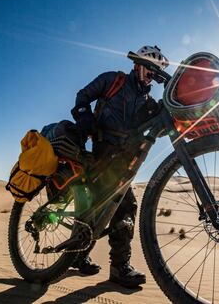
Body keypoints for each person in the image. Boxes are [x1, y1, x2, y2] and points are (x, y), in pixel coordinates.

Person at [69, 45, 169, 288]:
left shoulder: (148, 102)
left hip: (124, 159)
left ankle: (80, 256)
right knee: (121, 204)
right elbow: (82, 96)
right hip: (103, 149)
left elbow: (160, 127)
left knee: (99, 205)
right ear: (138, 65)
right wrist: (85, 118)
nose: (151, 76)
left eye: (156, 73)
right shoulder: (113, 80)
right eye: (150, 69)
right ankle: (118, 267)